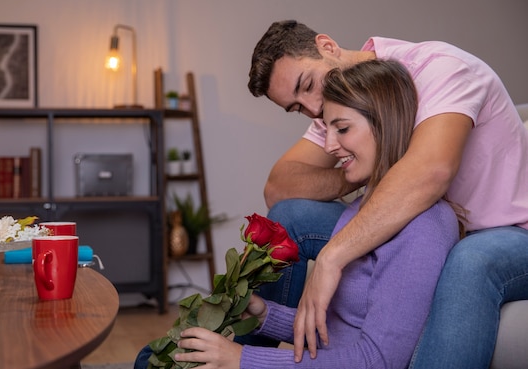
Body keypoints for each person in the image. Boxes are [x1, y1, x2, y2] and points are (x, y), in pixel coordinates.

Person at [246, 20, 528, 368]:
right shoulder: (338, 104)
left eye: (307, 85)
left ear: (327, 46)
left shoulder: (441, 69)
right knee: (291, 216)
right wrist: (359, 164)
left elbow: (432, 171)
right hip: (424, 221)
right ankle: (229, 350)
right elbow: (279, 187)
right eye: (297, 107)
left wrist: (333, 257)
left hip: (504, 231)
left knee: (471, 261)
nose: (313, 108)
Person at [165, 59, 460, 368]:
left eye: (342, 129)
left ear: (385, 123)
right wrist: (265, 314)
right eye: (327, 129)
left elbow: (376, 360)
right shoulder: (361, 211)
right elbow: (339, 333)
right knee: (162, 355)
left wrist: (242, 359)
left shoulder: (423, 228)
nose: (330, 146)